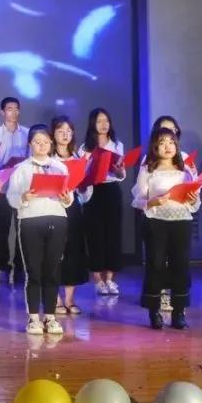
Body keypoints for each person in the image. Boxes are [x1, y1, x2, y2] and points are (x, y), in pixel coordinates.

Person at [7, 125, 72, 335]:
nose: (42, 145)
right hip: (30, 220)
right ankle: (33, 317)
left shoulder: (60, 167)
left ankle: (50, 317)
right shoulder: (22, 169)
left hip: (57, 219)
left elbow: (69, 197)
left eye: (45, 142)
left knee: (52, 270)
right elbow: (11, 197)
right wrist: (23, 197)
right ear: (30, 144)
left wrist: (66, 198)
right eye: (37, 142)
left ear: (51, 143)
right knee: (33, 271)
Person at [132, 128, 200, 330]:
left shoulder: (186, 170)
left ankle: (179, 312)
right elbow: (137, 199)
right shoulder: (148, 169)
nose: (168, 146)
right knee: (156, 264)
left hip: (181, 220)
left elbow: (195, 203)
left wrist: (193, 199)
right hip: (156, 221)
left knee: (181, 264)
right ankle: (154, 311)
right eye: (162, 142)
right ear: (155, 147)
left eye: (171, 142)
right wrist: (151, 202)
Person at [79, 108, 126, 295]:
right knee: (95, 235)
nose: (103, 124)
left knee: (113, 235)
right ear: (93, 124)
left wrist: (119, 171)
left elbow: (121, 174)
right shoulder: (84, 148)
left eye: (106, 120)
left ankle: (110, 279)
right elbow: (81, 175)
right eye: (99, 121)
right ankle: (98, 280)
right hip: (93, 192)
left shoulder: (117, 145)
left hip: (112, 190)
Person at [0, 97, 28, 284]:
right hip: (2, 187)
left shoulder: (27, 133)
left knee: (21, 229)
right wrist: (4, 165)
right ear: (2, 112)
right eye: (9, 109)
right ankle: (3, 268)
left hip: (21, 188)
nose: (13, 112)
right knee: (2, 230)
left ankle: (19, 268)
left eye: (16, 109)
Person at [50, 116, 89, 315]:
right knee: (54, 252)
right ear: (53, 134)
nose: (65, 134)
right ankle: (55, 299)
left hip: (73, 208)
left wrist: (84, 185)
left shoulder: (77, 157)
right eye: (60, 131)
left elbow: (85, 191)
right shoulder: (48, 158)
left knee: (73, 250)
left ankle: (70, 299)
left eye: (69, 131)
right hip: (52, 207)